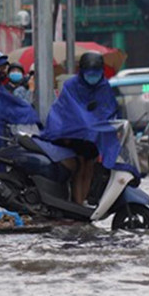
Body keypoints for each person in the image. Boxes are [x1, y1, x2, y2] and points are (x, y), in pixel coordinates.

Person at [41, 51, 121, 205]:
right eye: (89, 72)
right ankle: (77, 203)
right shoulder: (71, 85)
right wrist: (85, 124)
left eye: (96, 72)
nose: (93, 76)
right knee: (79, 167)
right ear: (82, 71)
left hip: (94, 136)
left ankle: (83, 202)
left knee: (89, 167)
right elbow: (69, 109)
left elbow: (108, 108)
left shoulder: (104, 86)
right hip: (74, 134)